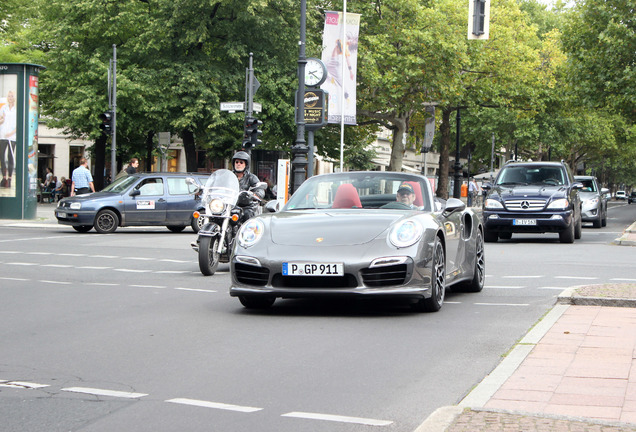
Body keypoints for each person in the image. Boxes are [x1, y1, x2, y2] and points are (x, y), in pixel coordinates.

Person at [232, 151, 264, 221]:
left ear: (246, 165)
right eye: (236, 162)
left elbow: (260, 189)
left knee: (247, 214)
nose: (238, 164)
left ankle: (248, 231)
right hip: (231, 205)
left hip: (246, 206)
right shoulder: (230, 177)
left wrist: (254, 194)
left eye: (241, 162)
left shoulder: (251, 177)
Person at [0, 90, 17, 188]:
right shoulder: (3, 108)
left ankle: (10, 178)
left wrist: (11, 133)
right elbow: (1, 121)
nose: (10, 98)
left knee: (11, 156)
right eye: (9, 96)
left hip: (12, 137)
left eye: (12, 96)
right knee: (2, 157)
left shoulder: (16, 110)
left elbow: (18, 124)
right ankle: (4, 177)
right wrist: (2, 119)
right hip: (2, 135)